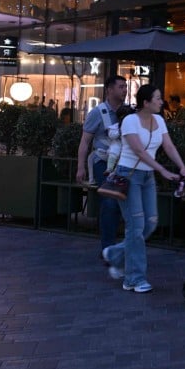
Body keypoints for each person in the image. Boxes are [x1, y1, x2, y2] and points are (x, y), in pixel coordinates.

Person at [102, 85, 185, 293]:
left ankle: (115, 254)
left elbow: (169, 146)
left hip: (147, 176)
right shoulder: (130, 121)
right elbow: (139, 151)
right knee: (135, 226)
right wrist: (162, 170)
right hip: (128, 175)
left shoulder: (160, 121)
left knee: (149, 224)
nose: (162, 102)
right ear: (145, 102)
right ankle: (134, 279)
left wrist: (182, 167)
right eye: (158, 98)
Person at [76, 75, 128, 256]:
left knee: (119, 204)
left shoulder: (128, 113)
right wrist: (80, 167)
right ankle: (108, 247)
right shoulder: (98, 113)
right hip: (103, 163)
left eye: (125, 86)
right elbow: (85, 141)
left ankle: (115, 245)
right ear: (109, 89)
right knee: (109, 202)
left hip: (124, 164)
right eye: (121, 86)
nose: (124, 90)